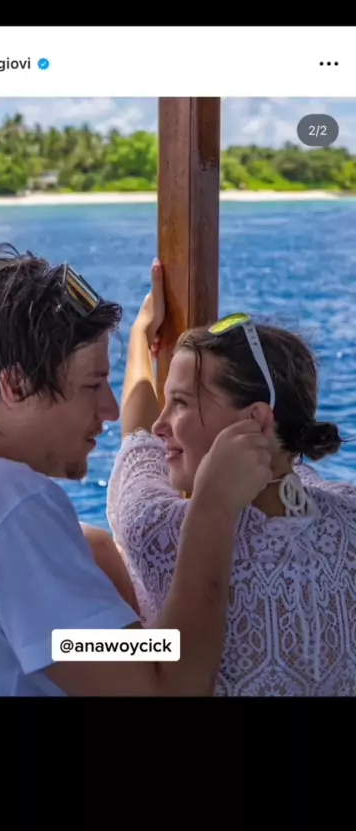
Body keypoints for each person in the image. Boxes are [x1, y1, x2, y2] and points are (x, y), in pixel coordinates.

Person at [0, 244, 273, 697]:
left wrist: (99, 555)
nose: (109, 409)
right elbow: (165, 691)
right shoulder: (5, 501)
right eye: (92, 384)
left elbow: (57, 637)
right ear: (16, 385)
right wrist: (213, 508)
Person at [107, 258, 356, 696]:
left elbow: (138, 435)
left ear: (255, 420)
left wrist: (141, 335)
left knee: (91, 551)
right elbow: (294, 473)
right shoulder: (347, 519)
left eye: (180, 402)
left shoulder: (161, 530)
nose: (162, 424)